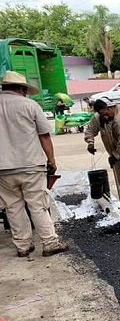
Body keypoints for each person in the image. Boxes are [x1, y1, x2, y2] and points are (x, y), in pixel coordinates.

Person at [0, 71, 69, 257]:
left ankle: (23, 246)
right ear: (22, 89)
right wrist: (51, 160)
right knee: (37, 204)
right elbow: (44, 136)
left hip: (2, 169)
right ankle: (49, 243)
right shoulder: (30, 105)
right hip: (30, 164)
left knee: (13, 207)